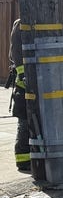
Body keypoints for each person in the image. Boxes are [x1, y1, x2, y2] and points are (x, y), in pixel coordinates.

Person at [9, 20, 30, 172]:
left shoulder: (49, 19)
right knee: (25, 123)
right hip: (24, 85)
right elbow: (15, 52)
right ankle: (23, 160)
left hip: (46, 83)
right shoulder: (21, 23)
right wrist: (23, 74)